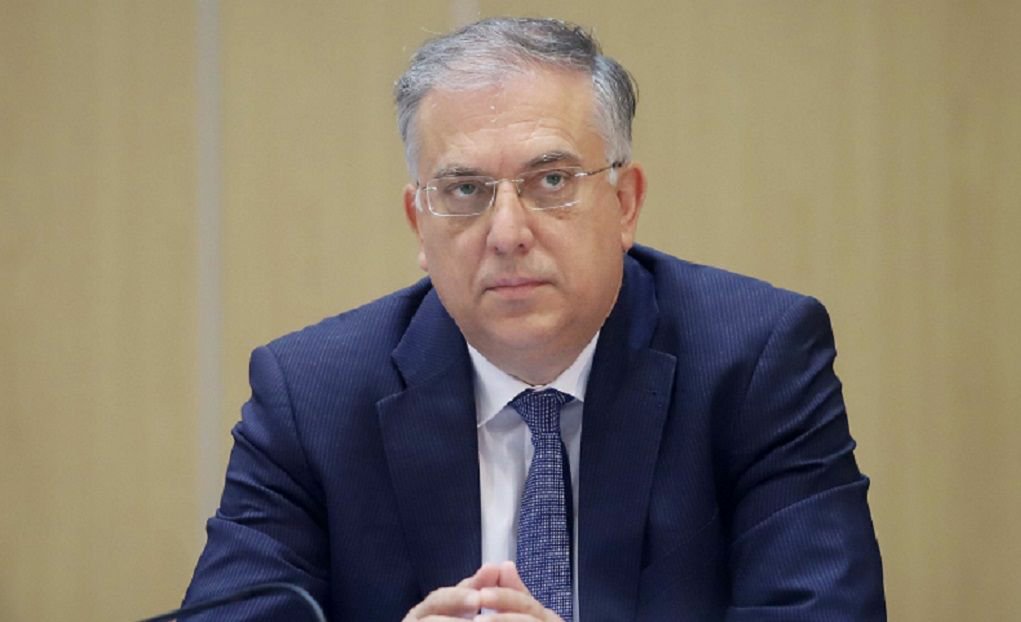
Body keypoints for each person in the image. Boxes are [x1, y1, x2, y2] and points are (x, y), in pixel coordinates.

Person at [183, 17, 885, 621]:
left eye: (550, 181)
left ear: (625, 204)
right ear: (418, 224)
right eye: (465, 189)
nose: (507, 233)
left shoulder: (752, 361)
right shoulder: (312, 395)